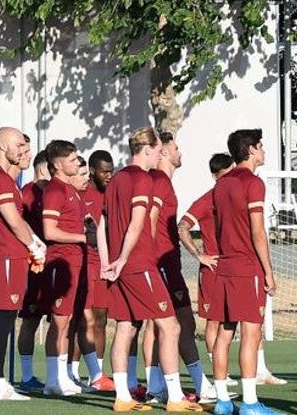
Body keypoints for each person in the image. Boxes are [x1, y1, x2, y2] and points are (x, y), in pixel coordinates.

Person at [101, 127, 202, 412]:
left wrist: (109, 261)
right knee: (170, 326)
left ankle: (122, 397)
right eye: (158, 148)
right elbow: (137, 222)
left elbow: (101, 224)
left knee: (126, 327)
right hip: (139, 263)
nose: (161, 153)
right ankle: (174, 397)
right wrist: (121, 258)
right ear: (147, 149)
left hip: (121, 264)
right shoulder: (143, 179)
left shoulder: (117, 178)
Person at [209, 129, 279, 415]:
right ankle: (249, 403)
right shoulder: (253, 183)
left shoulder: (221, 184)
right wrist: (269, 271)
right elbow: (258, 231)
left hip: (225, 266)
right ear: (250, 149)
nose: (263, 150)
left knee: (224, 334)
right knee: (251, 333)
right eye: (260, 146)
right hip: (247, 266)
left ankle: (223, 400)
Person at [145, 133, 212, 402]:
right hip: (159, 262)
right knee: (163, 324)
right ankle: (158, 386)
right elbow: (149, 220)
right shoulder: (159, 181)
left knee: (178, 322)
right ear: (162, 153)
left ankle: (190, 383)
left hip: (167, 262)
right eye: (174, 147)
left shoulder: (164, 183)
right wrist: (149, 259)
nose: (179, 151)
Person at [0, 127, 37, 401]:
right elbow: (14, 221)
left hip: (4, 254)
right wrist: (35, 246)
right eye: (18, 145)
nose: (23, 150)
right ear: (3, 145)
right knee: (3, 318)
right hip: (7, 255)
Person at [40, 140, 95, 396]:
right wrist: (83, 237)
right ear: (58, 164)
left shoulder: (71, 191)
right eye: (72, 160)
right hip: (60, 263)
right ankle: (53, 379)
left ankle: (63, 376)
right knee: (59, 322)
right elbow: (49, 231)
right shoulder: (55, 191)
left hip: (76, 262)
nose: (77, 163)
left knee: (69, 321)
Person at [178, 155, 234, 368]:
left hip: (234, 268)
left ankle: (259, 369)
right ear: (215, 176)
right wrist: (199, 255)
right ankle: (219, 370)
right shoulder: (206, 200)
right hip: (212, 269)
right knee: (214, 319)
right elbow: (182, 226)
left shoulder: (235, 198)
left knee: (236, 318)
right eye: (226, 174)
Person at [77, 150, 116, 391]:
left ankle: (98, 374)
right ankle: (71, 372)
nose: (109, 175)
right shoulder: (83, 194)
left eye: (111, 170)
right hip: (86, 263)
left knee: (101, 319)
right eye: (104, 171)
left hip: (107, 263)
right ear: (92, 170)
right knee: (82, 321)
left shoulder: (111, 193)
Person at [16, 149, 51, 391]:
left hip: (57, 266)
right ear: (42, 168)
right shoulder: (27, 193)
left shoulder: (57, 192)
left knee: (61, 320)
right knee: (30, 319)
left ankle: (60, 374)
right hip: (35, 267)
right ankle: (27, 375)